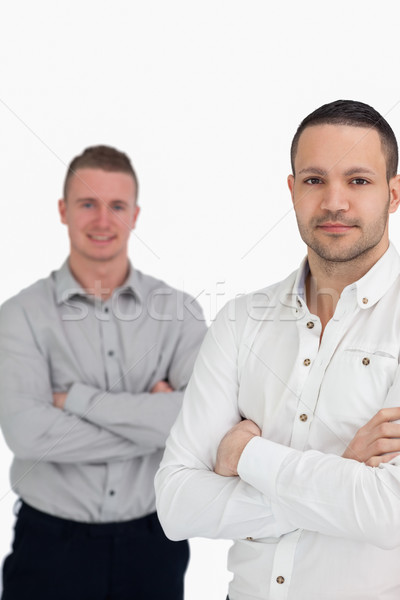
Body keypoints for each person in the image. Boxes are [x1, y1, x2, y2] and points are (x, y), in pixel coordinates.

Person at [155, 100, 400, 599]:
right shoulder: (242, 321)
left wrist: (246, 455)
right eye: (314, 180)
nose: (334, 202)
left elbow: (389, 514)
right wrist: (340, 479)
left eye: (358, 181)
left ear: (394, 194)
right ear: (292, 191)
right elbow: (177, 504)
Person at [0, 145, 206, 600]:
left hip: (153, 548)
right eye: (87, 203)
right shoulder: (20, 316)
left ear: (135, 215)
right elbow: (29, 436)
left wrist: (76, 400)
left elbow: (204, 424)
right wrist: (155, 421)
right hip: (48, 549)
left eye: (117, 206)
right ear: (63, 210)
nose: (102, 220)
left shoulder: (178, 312)